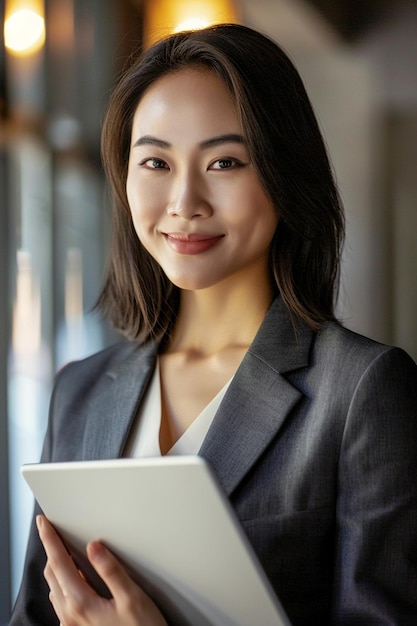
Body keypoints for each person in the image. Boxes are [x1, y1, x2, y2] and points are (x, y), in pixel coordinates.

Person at [10, 23, 417, 626]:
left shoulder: (361, 388)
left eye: (225, 161)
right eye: (155, 162)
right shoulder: (80, 390)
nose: (184, 201)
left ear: (285, 175)